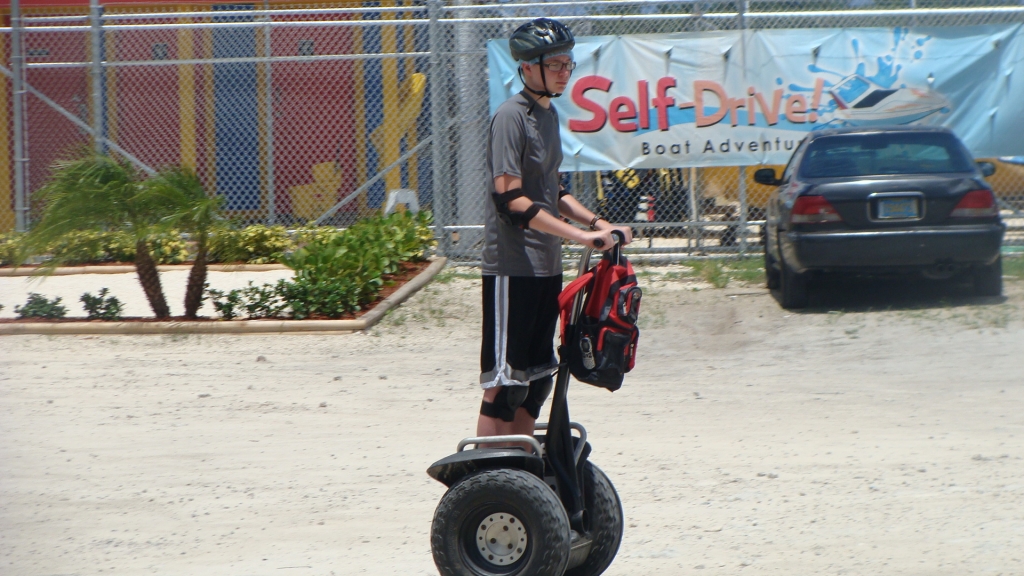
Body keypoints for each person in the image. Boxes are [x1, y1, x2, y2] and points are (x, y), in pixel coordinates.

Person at [478, 17, 633, 442]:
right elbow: (510, 200)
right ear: (528, 67)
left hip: (545, 265)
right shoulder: (511, 117)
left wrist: (599, 224)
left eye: (569, 63)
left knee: (538, 380)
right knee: (506, 385)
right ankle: (489, 476)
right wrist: (581, 237)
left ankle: (522, 471)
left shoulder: (547, 115)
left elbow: (553, 191)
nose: (566, 71)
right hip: (512, 266)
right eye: (557, 64)